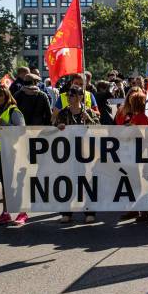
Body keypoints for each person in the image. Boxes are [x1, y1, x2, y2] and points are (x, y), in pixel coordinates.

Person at [55, 85, 100, 224]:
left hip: (87, 153)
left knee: (87, 182)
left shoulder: (89, 112)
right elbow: (54, 128)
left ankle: (89, 212)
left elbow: (99, 130)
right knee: (69, 182)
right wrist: (59, 128)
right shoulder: (63, 113)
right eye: (68, 95)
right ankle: (67, 212)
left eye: (72, 95)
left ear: (80, 97)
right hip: (68, 154)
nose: (69, 97)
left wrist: (90, 120)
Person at [0, 85, 28, 225]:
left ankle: (22, 213)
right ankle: (6, 213)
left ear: (6, 96)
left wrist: (3, 123)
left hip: (15, 153)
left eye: (0, 95)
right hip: (0, 154)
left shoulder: (14, 111)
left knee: (18, 183)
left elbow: (22, 131)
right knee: (6, 184)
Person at [114, 88, 148, 223]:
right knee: (132, 181)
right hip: (130, 153)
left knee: (141, 182)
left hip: (141, 153)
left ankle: (145, 210)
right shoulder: (132, 115)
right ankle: (135, 209)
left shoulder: (143, 117)